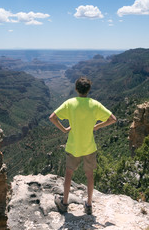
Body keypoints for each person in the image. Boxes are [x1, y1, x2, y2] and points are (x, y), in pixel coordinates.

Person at [49, 76, 117, 215]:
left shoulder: (70, 103)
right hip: (89, 147)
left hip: (73, 146)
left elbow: (52, 117)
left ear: (76, 89)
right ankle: (89, 205)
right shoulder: (94, 104)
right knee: (89, 175)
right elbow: (113, 119)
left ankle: (65, 203)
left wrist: (64, 129)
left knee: (69, 174)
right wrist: (98, 126)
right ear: (89, 89)